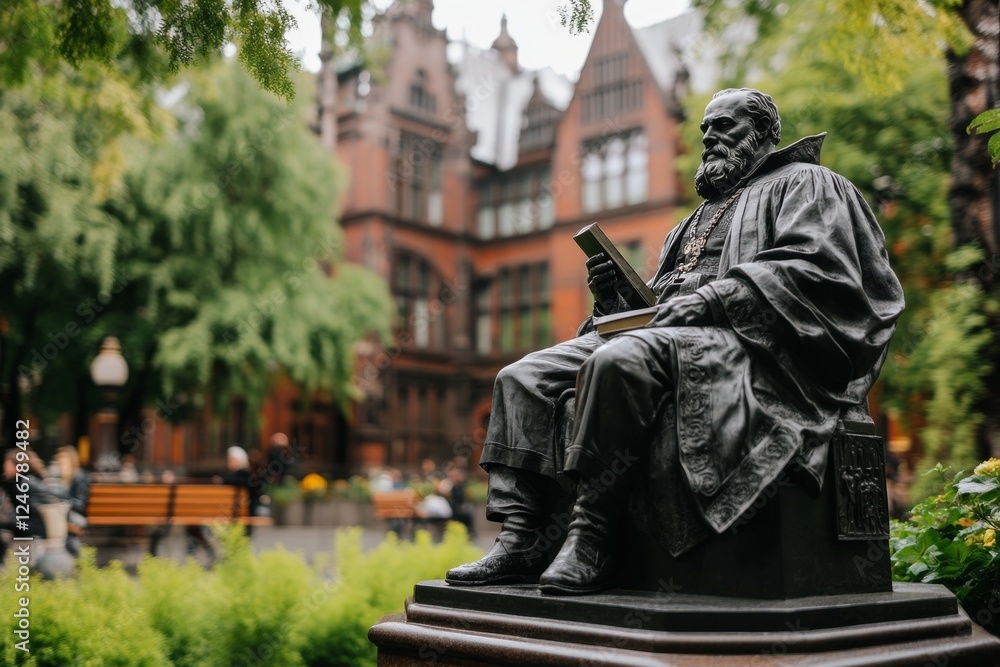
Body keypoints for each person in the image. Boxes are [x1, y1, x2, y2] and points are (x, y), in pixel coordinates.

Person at [446, 88, 905, 595]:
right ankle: (521, 538)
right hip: (660, 332)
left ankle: (592, 534)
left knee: (619, 362)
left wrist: (715, 300)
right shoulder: (689, 223)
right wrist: (612, 301)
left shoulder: (807, 183)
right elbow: (658, 303)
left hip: (744, 338)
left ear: (764, 133)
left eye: (724, 125)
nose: (709, 136)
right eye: (705, 128)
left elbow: (819, 269)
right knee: (521, 377)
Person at [55, 446, 90, 556]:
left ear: (72, 460)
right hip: (67, 515)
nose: (60, 463)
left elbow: (80, 504)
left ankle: (74, 554)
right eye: (59, 460)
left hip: (78, 518)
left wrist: (64, 500)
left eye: (63, 460)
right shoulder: (63, 478)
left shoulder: (79, 476)